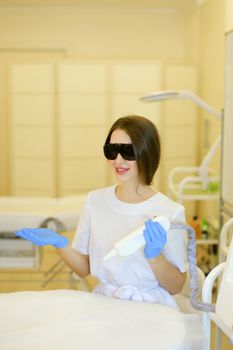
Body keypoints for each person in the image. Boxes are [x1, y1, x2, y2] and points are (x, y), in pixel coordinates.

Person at [16, 115, 187, 310]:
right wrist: (59, 243)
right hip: (105, 304)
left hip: (152, 308)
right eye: (112, 151)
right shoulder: (95, 201)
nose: (118, 160)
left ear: (147, 152)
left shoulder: (170, 212)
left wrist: (156, 257)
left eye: (127, 152)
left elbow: (175, 286)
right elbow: (84, 269)